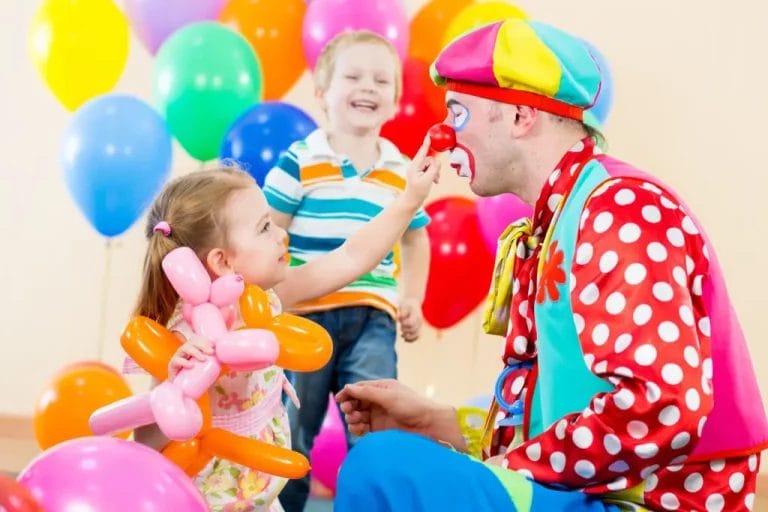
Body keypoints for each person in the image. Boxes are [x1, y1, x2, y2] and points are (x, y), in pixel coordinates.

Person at [333, 18, 768, 512]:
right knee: (395, 456)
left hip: (649, 503)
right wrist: (443, 423)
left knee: (384, 469)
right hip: (602, 493)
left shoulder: (619, 208)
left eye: (457, 113)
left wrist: (501, 470)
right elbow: (561, 408)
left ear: (520, 116)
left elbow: (660, 405)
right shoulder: (563, 216)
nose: (443, 136)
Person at [128, 144, 440, 512]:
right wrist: (175, 380)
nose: (281, 234)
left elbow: (351, 257)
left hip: (260, 485)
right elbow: (147, 442)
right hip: (207, 496)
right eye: (264, 227)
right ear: (223, 261)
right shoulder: (187, 336)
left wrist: (409, 201)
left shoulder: (266, 299)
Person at [262, 31, 431, 511]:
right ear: (322, 94)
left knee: (377, 426)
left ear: (395, 100)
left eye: (382, 80)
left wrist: (411, 298)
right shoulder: (301, 159)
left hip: (372, 317)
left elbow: (417, 237)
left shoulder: (401, 170)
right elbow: (269, 230)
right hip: (304, 317)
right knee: (293, 433)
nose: (369, 87)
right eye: (353, 76)